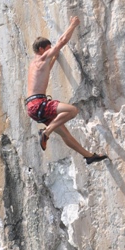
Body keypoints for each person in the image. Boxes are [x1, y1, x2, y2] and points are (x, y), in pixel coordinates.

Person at [25, 16, 108, 163]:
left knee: (65, 135)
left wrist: (54, 57)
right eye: (48, 50)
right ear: (41, 49)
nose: (49, 53)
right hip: (39, 104)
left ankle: (89, 156)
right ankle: (46, 132)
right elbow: (62, 41)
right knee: (72, 111)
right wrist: (73, 25)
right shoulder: (42, 58)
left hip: (32, 108)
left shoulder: (35, 64)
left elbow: (45, 72)